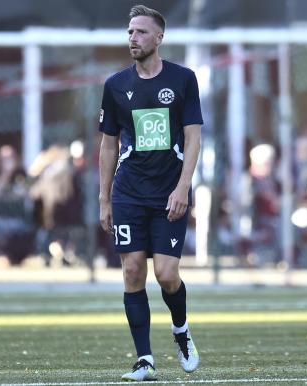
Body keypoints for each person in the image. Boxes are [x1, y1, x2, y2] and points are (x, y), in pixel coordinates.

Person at [98, 5, 202, 381]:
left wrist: (182, 188)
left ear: (159, 37)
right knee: (131, 271)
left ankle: (181, 330)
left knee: (167, 273)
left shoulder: (183, 80)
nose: (133, 38)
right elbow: (108, 146)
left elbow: (193, 138)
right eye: (130, 32)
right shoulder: (115, 86)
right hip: (128, 193)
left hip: (167, 194)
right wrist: (104, 198)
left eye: (141, 32)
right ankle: (145, 359)